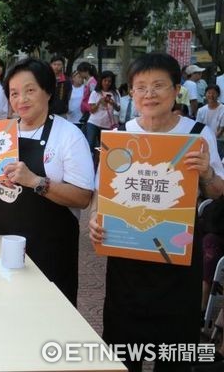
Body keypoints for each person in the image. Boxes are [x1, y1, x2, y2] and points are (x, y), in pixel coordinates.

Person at [89, 52, 224, 371]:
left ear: (176, 89)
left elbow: (218, 190)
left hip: (177, 257)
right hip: (127, 258)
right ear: (131, 93)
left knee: (175, 351)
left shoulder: (197, 134)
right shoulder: (122, 134)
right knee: (123, 350)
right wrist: (96, 219)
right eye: (141, 87)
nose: (149, 94)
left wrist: (206, 173)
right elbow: (102, 192)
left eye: (158, 85)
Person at [0, 58, 94, 305]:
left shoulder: (68, 135)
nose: (20, 99)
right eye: (14, 93)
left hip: (50, 254)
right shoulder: (0, 133)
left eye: (29, 90)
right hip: (2, 246)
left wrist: (35, 180)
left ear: (47, 91)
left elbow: (83, 198)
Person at [85, 70, 120, 152]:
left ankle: (101, 163)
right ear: (101, 81)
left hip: (107, 125)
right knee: (90, 144)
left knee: (105, 147)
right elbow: (92, 110)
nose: (107, 83)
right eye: (105, 80)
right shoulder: (95, 93)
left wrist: (112, 103)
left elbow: (118, 108)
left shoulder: (115, 93)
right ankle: (90, 162)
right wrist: (99, 102)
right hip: (93, 123)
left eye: (109, 81)